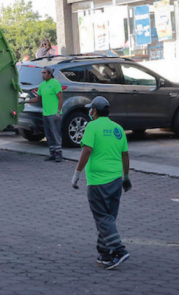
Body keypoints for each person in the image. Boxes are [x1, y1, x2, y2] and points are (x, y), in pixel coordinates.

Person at [71, 96, 132, 270]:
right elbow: (125, 155)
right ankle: (105, 254)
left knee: (102, 218)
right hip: (115, 180)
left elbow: (87, 150)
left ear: (95, 111)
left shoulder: (92, 126)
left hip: (97, 181)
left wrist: (77, 173)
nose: (90, 111)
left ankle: (119, 251)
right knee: (108, 218)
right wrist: (126, 176)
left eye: (91, 109)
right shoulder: (118, 129)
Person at [24, 66, 63, 162]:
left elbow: (60, 98)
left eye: (44, 73)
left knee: (55, 134)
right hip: (45, 113)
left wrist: (58, 111)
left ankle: (58, 154)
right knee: (48, 134)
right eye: (42, 73)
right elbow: (38, 98)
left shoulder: (55, 83)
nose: (43, 75)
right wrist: (27, 101)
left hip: (54, 113)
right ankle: (52, 153)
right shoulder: (42, 85)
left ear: (50, 74)